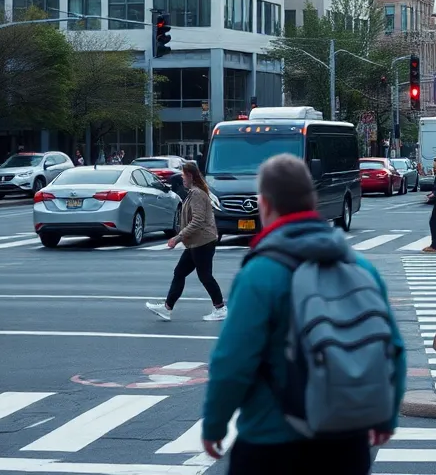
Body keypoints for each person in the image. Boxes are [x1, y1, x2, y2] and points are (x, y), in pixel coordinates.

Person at [200, 153, 405, 471]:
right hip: (347, 441)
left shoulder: (261, 272)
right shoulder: (359, 266)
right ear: (313, 203)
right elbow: (393, 348)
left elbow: (233, 360)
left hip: (272, 440)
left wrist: (214, 423)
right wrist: (385, 415)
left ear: (264, 205)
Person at [147, 162, 227, 322]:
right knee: (180, 273)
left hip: (202, 242)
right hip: (196, 242)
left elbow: (197, 221)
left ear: (190, 176)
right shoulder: (194, 192)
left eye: (183, 175)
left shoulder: (197, 194)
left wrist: (178, 238)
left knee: (205, 276)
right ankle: (167, 308)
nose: (182, 178)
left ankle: (220, 308)